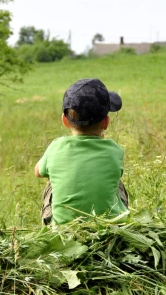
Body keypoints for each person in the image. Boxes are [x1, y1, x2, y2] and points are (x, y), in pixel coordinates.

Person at [34, 78, 129, 225]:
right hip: (110, 228)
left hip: (64, 232)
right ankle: (117, 217)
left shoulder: (56, 147)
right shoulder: (115, 151)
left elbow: (37, 172)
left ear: (64, 121)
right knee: (116, 182)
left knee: (52, 179)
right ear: (106, 122)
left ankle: (57, 222)